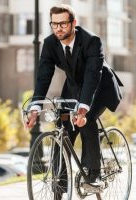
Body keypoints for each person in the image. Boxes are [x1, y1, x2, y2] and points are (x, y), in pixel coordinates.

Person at [26, 4, 123, 199]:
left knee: (86, 120)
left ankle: (93, 176)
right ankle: (59, 185)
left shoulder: (91, 41)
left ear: (73, 23)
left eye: (63, 24)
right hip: (73, 88)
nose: (58, 29)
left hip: (100, 87)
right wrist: (35, 106)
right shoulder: (50, 43)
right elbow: (44, 76)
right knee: (63, 126)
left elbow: (92, 75)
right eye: (54, 24)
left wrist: (83, 108)